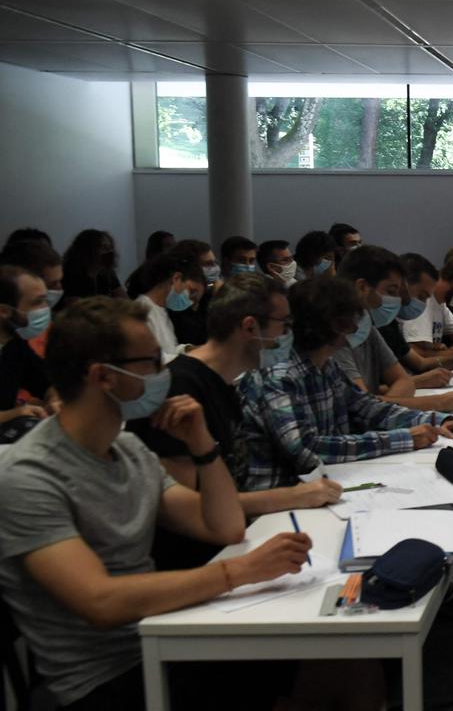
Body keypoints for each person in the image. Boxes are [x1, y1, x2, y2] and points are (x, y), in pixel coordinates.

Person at [0, 296, 310, 710]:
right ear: (104, 377)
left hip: (164, 639)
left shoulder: (127, 447)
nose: (165, 374)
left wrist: (201, 445)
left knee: (327, 665)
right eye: (152, 363)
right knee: (311, 673)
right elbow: (100, 601)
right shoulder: (28, 476)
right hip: (105, 680)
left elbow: (224, 527)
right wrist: (240, 571)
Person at [127, 274, 342, 564]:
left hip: (232, 543)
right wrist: (294, 496)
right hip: (197, 562)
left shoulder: (225, 384)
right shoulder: (180, 389)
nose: (287, 336)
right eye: (284, 326)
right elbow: (193, 509)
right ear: (250, 326)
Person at [237, 277, 453, 491]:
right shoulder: (278, 375)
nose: (359, 325)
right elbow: (308, 448)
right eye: (352, 319)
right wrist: (404, 438)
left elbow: (369, 408)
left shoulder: (326, 366)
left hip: (322, 485)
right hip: (279, 503)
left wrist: (439, 420)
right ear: (331, 324)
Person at [332, 246, 453, 415]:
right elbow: (361, 407)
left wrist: (381, 407)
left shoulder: (368, 328)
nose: (399, 300)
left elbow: (404, 382)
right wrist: (440, 402)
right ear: (362, 287)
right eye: (391, 291)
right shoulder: (334, 337)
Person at [383, 253, 453, 382]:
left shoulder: (387, 326)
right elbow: (366, 394)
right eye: (391, 291)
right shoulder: (377, 325)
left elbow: (420, 363)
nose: (424, 303)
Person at [0, 266, 54, 427]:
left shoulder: (14, 344)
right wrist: (16, 413)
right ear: (4, 311)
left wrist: (54, 399)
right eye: (37, 302)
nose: (46, 308)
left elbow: (47, 382)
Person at [134, 250, 207, 362]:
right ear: (176, 278)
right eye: (192, 292)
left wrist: (187, 349)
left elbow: (168, 350)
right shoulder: (141, 311)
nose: (191, 302)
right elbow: (150, 359)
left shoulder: (162, 311)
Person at [167, 240, 220, 348]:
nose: (215, 268)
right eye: (207, 264)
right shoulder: (175, 303)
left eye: (214, 263)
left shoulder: (207, 297)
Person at [60, 229, 125, 303]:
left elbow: (124, 300)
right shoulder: (70, 274)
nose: (109, 252)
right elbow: (77, 306)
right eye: (104, 248)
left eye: (110, 248)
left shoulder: (107, 272)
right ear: (87, 250)